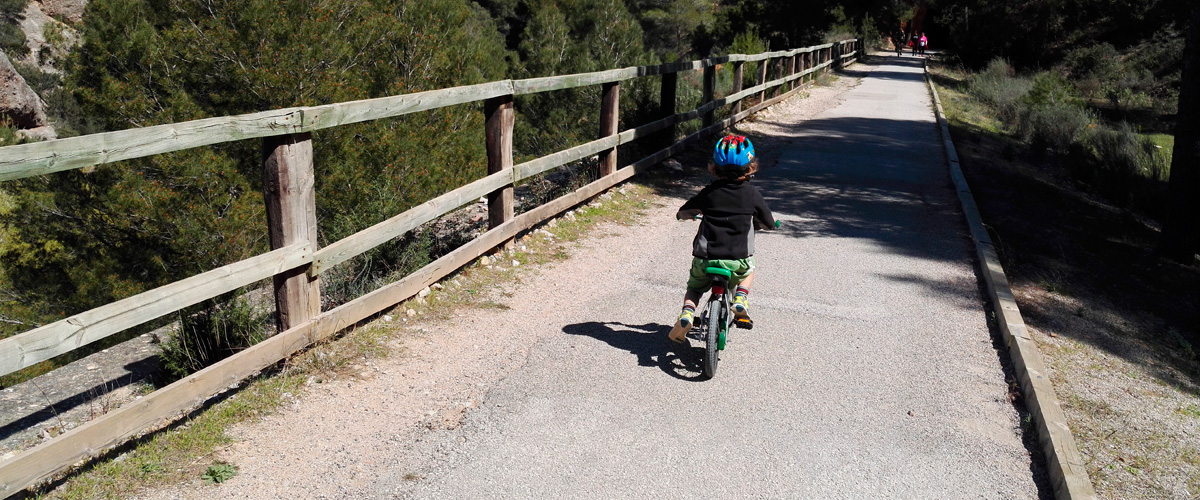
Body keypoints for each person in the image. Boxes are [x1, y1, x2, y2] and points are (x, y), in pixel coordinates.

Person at [668, 135, 777, 343]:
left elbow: (684, 212)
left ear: (714, 168)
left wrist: (687, 215)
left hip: (705, 258)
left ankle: (688, 313)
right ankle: (741, 298)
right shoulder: (752, 194)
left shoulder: (709, 193)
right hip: (738, 260)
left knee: (695, 288)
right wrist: (767, 225)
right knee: (750, 269)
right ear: (751, 167)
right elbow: (768, 223)